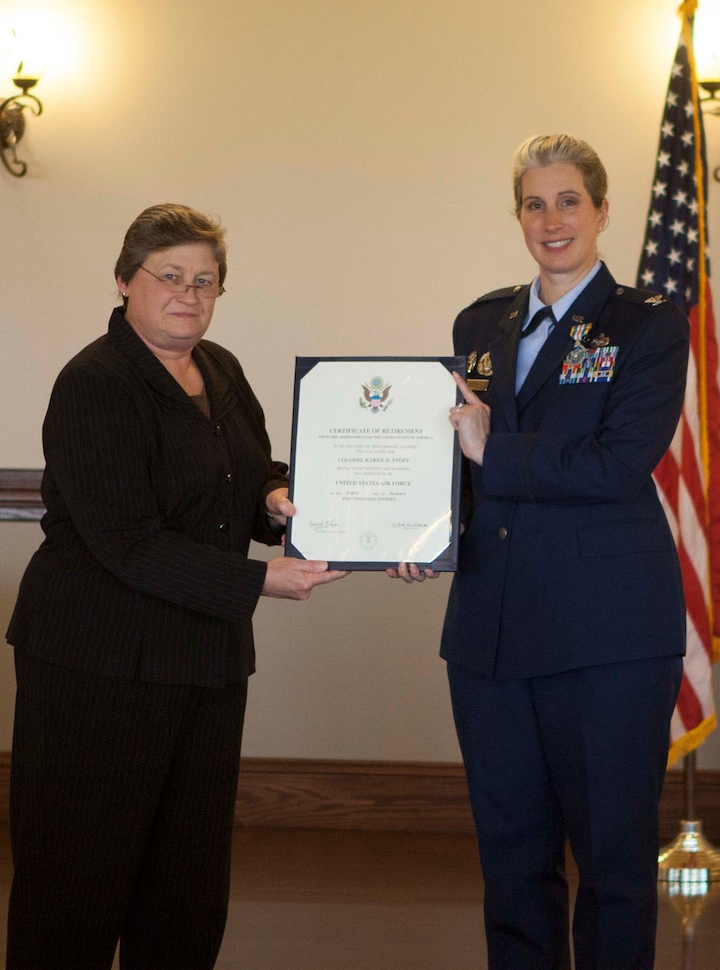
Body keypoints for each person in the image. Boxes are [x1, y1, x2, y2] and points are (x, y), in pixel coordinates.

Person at [5, 203, 346, 970]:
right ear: (126, 279)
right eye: (170, 277)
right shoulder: (95, 382)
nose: (189, 294)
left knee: (186, 886)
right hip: (98, 662)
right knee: (77, 882)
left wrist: (274, 500)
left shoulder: (218, 368)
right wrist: (260, 579)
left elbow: (249, 471)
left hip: (206, 661)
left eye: (206, 280)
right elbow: (126, 539)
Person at [394, 134, 689, 969]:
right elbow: (459, 464)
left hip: (606, 640)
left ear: (601, 210)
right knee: (512, 865)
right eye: (534, 203)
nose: (551, 220)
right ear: (517, 215)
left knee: (614, 865)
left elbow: (619, 465)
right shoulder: (481, 321)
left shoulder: (648, 325)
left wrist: (497, 454)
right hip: (490, 633)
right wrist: (426, 532)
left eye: (569, 201)